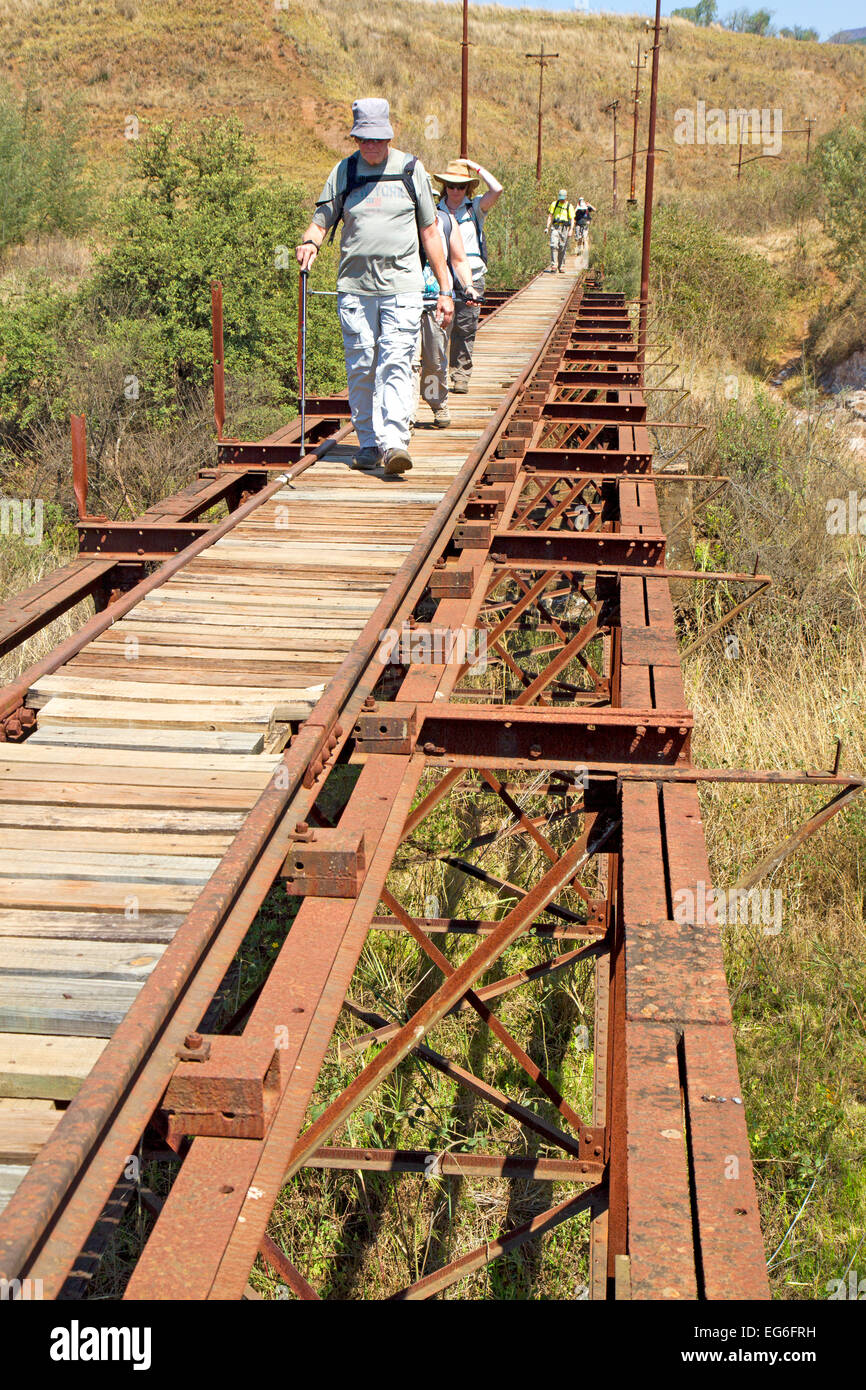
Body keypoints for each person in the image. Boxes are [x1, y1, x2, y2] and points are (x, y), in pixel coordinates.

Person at [296, 98, 453, 476]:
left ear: (389, 136)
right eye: (364, 140)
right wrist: (310, 243)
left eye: (377, 140)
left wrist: (445, 289)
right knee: (363, 364)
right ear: (355, 138)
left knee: (397, 361)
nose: (371, 147)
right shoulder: (345, 171)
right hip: (355, 288)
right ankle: (368, 442)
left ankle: (395, 443)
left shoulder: (411, 169)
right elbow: (321, 221)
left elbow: (431, 232)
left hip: (403, 288)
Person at [433, 157, 503, 394]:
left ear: (468, 188)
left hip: (472, 276)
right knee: (441, 326)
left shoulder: (475, 208)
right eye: (451, 186)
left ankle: (460, 375)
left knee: (465, 327)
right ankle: (439, 374)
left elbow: (497, 189)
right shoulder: (435, 210)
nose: (455, 190)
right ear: (445, 187)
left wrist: (475, 166)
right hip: (442, 277)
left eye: (461, 186)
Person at [412, 188, 480, 429]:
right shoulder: (399, 221)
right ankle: (406, 415)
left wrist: (468, 286)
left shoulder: (446, 221)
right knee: (405, 361)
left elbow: (459, 259)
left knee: (434, 359)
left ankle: (437, 403)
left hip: (436, 301)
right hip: (402, 300)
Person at [546, 189, 575, 273]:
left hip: (564, 229)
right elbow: (550, 216)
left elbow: (572, 219)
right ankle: (554, 265)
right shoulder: (554, 204)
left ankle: (561, 265)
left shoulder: (569, 206)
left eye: (563, 198)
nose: (562, 199)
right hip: (555, 227)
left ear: (566, 197)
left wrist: (571, 230)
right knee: (553, 245)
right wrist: (547, 227)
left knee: (562, 247)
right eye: (560, 198)